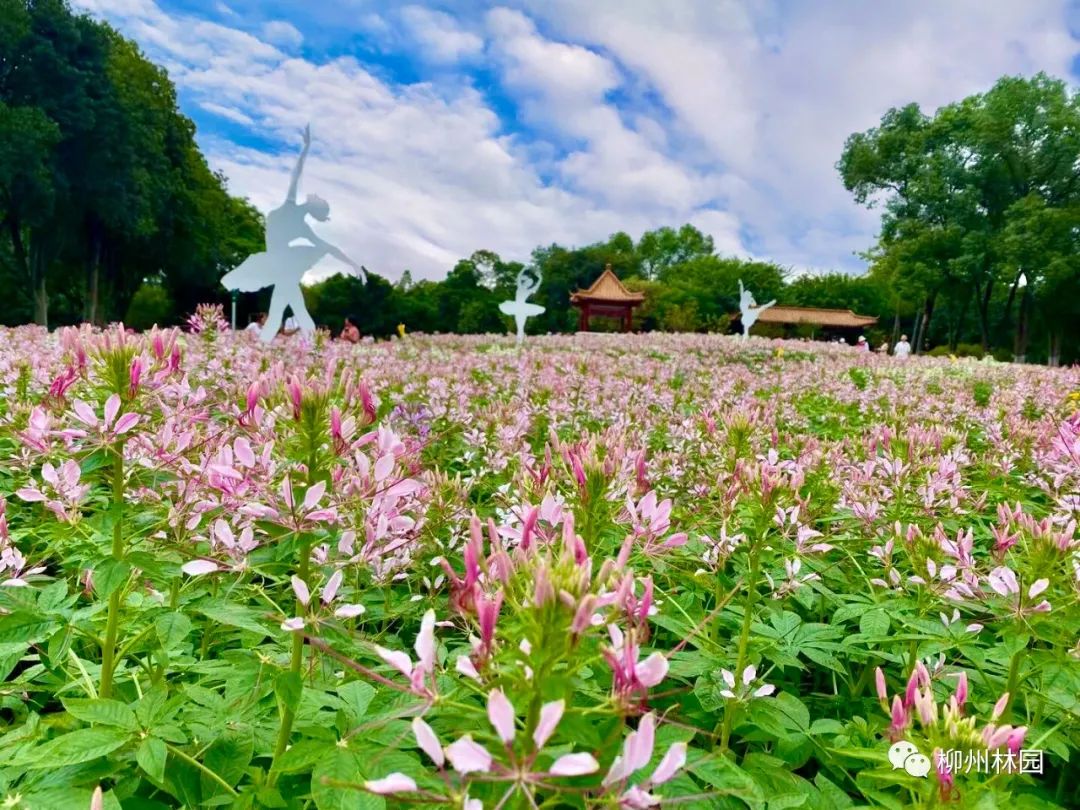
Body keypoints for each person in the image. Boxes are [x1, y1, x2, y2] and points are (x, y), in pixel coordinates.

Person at [219, 125, 364, 343]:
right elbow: (296, 174)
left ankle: (288, 346)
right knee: (290, 308)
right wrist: (305, 149)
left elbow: (328, 247)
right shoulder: (291, 207)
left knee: (286, 308)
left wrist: (353, 264)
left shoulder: (301, 224)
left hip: (281, 265)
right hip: (278, 263)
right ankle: (310, 346)